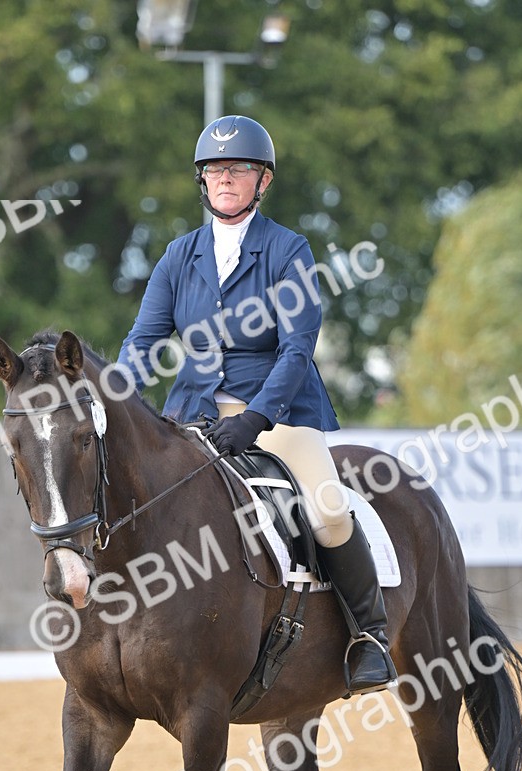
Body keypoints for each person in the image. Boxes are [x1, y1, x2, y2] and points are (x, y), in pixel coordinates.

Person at [118, 114, 396, 694]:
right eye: (215, 170)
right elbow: (143, 341)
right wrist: (116, 396)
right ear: (203, 180)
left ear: (261, 180)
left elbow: (297, 350)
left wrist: (254, 417)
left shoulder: (287, 250)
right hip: (191, 416)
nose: (225, 179)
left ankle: (368, 636)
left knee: (325, 508)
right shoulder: (178, 257)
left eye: (238, 169)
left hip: (278, 416)